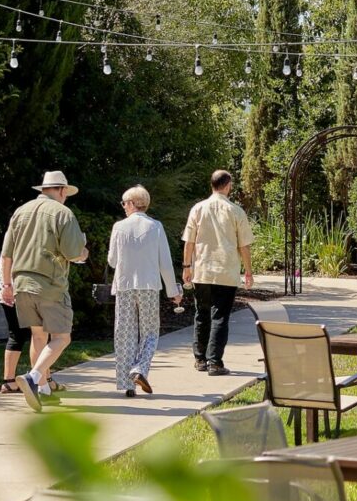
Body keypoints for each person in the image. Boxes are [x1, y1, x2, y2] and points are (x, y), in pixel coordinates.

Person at [1, 170, 89, 412]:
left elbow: (6, 253)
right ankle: (33, 377)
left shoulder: (20, 211)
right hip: (49, 285)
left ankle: (43, 389)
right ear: (61, 190)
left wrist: (7, 285)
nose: (66, 198)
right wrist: (84, 253)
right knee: (62, 337)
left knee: (38, 336)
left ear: (43, 189)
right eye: (66, 194)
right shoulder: (63, 213)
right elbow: (73, 252)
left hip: (20, 284)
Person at [108, 186, 181, 397]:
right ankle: (140, 368)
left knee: (124, 333)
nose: (123, 207)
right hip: (149, 286)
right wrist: (173, 291)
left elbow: (112, 261)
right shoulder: (156, 227)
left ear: (131, 203)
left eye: (124, 203)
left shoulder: (119, 227)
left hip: (124, 286)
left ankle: (127, 384)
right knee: (150, 331)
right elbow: (165, 263)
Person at [182, 169, 255, 376]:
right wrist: (248, 271)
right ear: (228, 185)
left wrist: (187, 266)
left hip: (202, 270)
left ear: (212, 185)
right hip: (226, 270)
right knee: (220, 317)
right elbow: (244, 246)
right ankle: (215, 362)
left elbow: (189, 241)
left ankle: (200, 359)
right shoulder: (236, 211)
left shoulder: (198, 208)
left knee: (201, 314)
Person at [0, 257, 35, 395]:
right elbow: (6, 256)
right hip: (15, 284)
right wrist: (7, 285)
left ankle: (9, 382)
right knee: (39, 332)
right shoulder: (20, 234)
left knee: (18, 333)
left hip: (10, 282)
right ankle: (42, 380)